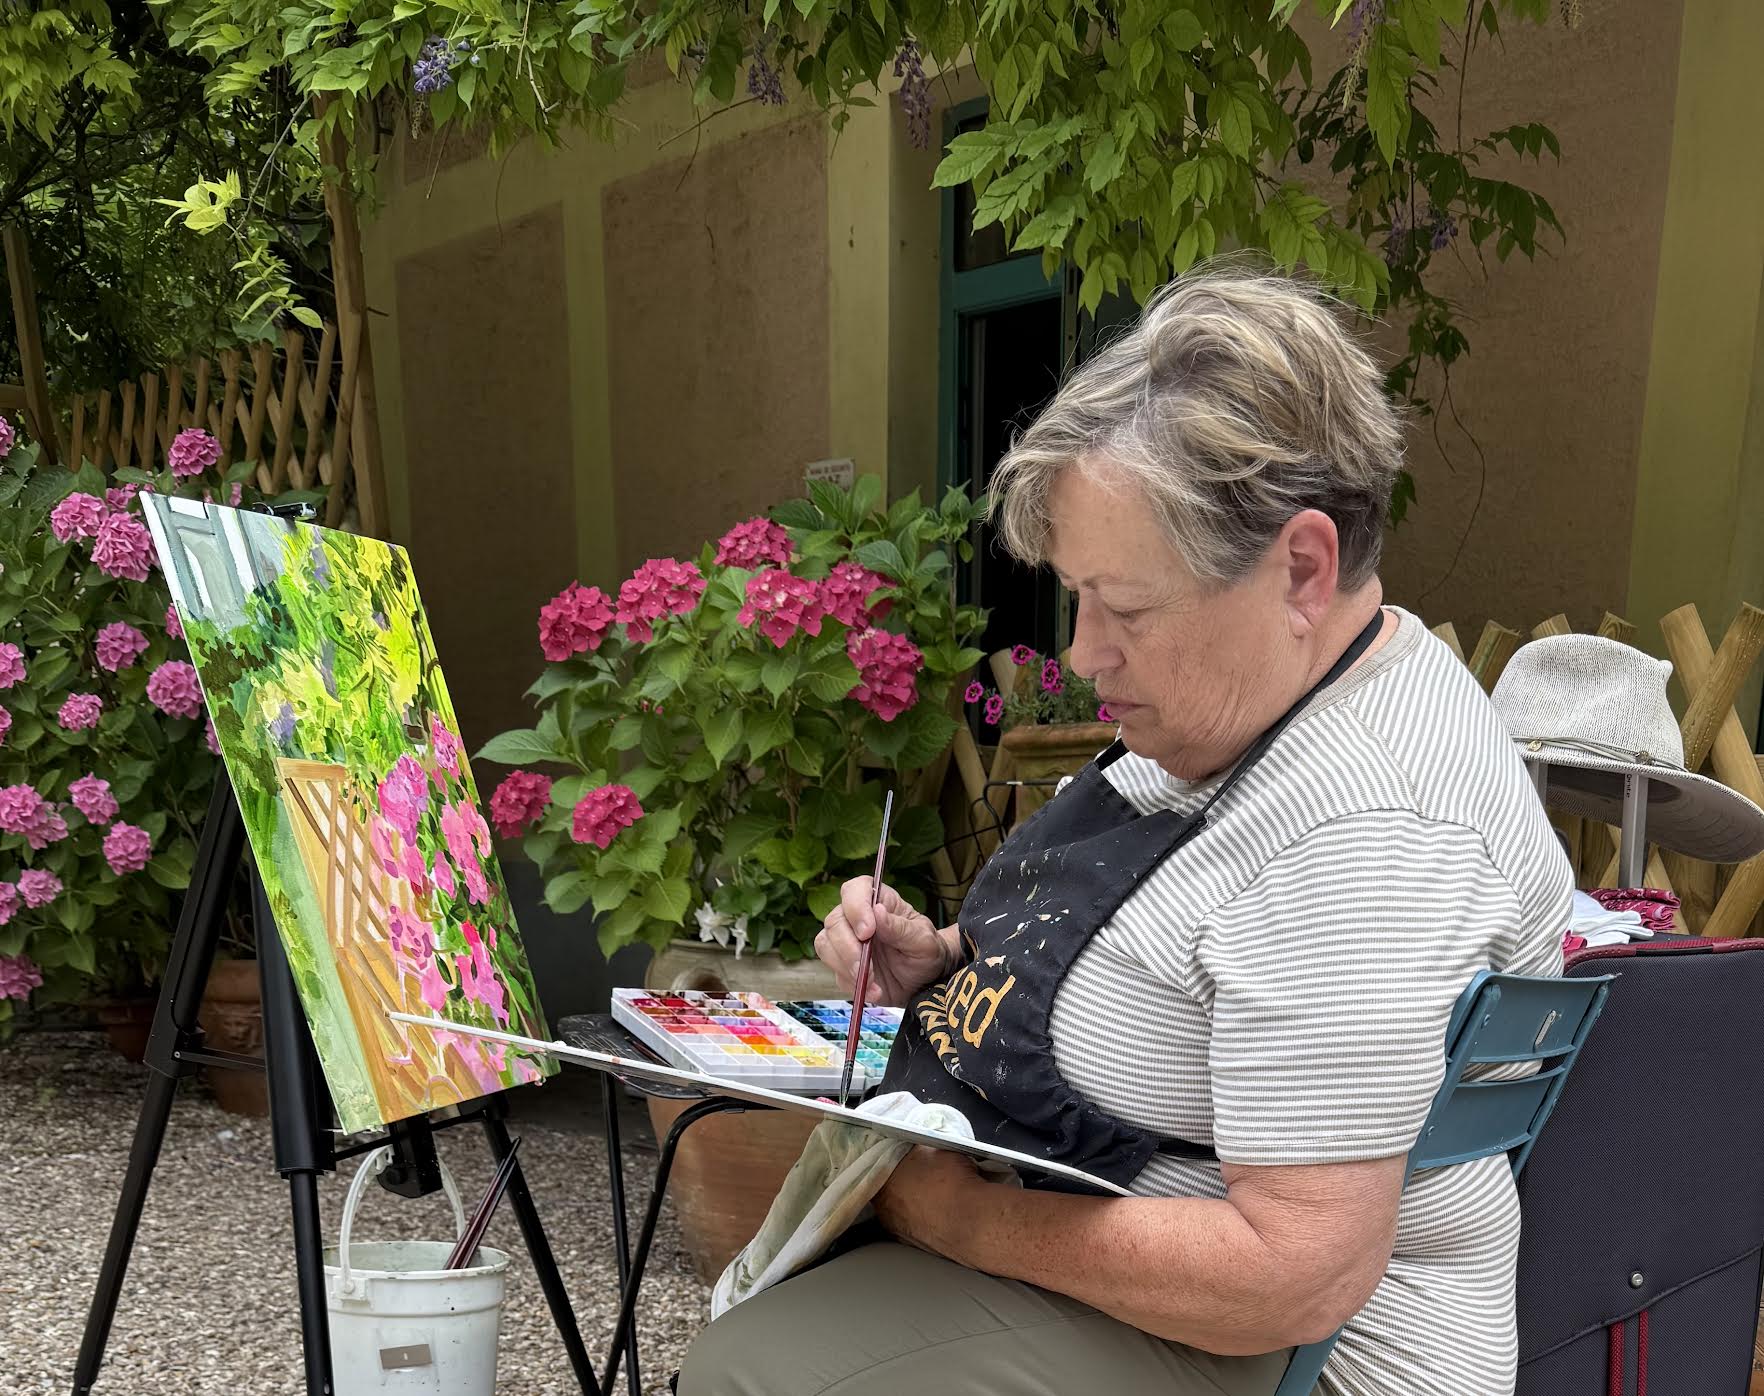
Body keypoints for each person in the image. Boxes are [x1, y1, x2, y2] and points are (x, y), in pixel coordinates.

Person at [677, 267, 1569, 1396]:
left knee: (754, 1377)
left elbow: (1291, 1274)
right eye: (1077, 596)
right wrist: (950, 964)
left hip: (1290, 1352)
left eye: (1126, 606)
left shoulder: (1366, 830)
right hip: (1128, 1276)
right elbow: (1173, 965)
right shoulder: (1257, 699)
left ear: (1302, 567)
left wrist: (955, 1216)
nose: (1086, 650)